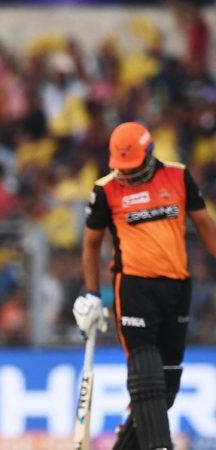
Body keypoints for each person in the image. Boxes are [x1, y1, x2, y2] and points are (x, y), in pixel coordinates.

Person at [73, 122, 216, 450]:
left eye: (133, 168)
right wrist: (92, 294)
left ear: (150, 155)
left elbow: (205, 226)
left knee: (165, 389)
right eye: (121, 168)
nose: (126, 175)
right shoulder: (106, 190)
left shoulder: (178, 176)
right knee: (146, 374)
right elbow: (91, 245)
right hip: (134, 288)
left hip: (177, 288)